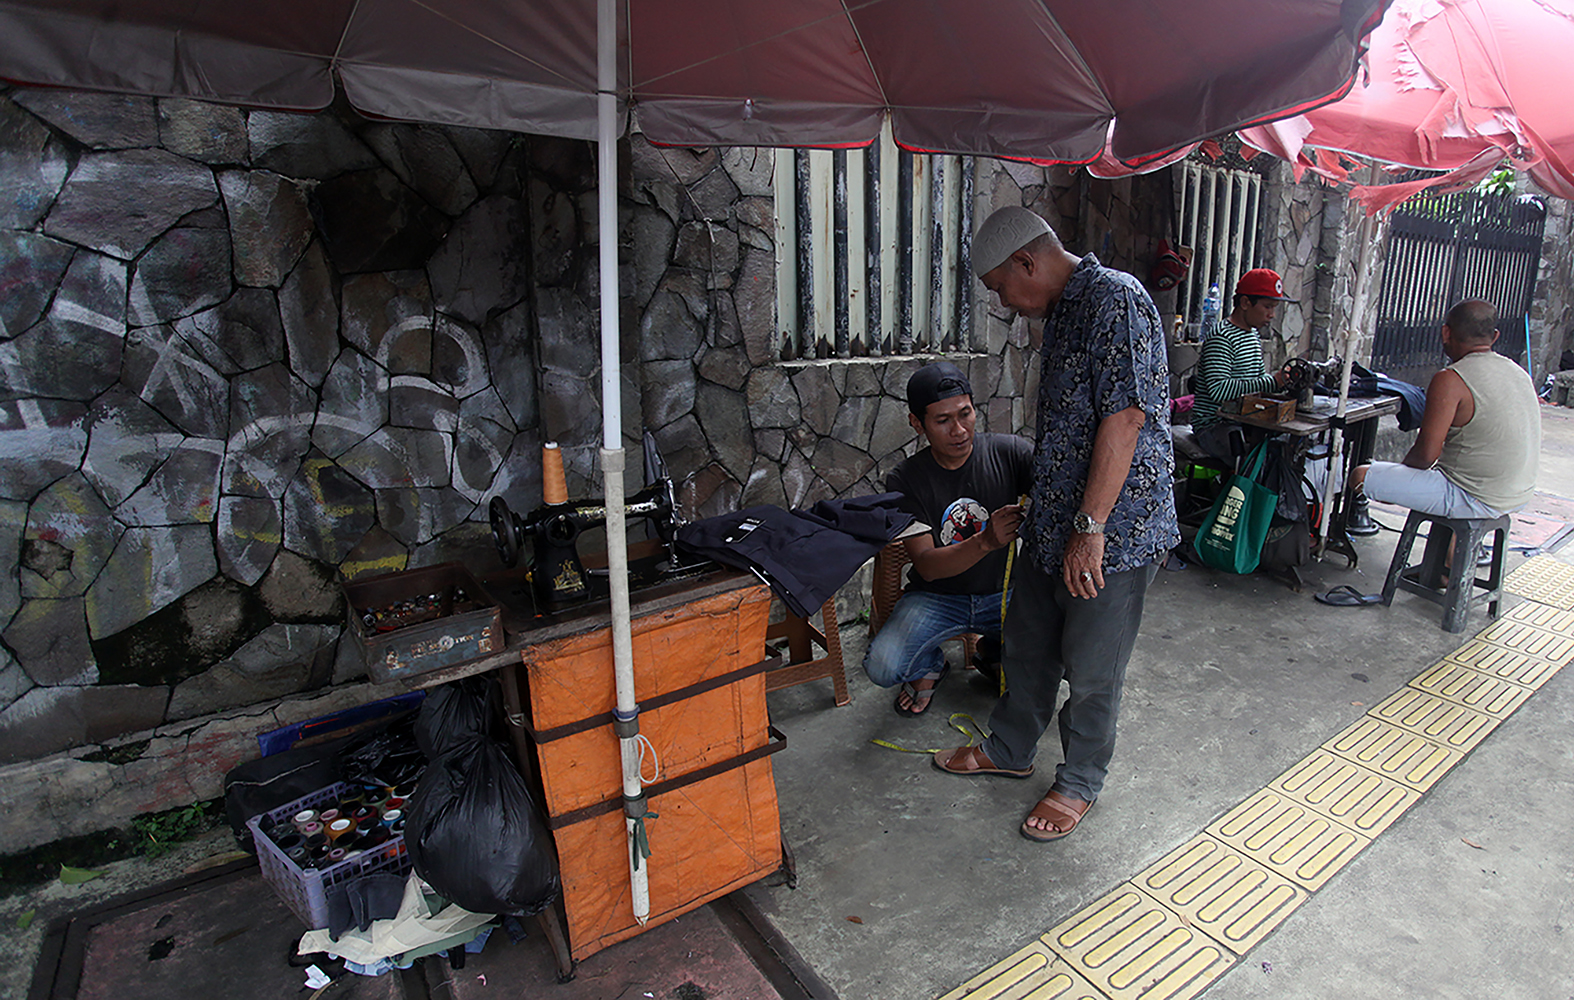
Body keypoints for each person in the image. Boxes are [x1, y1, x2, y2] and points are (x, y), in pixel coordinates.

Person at [932, 206, 1179, 843]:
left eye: (1000, 287)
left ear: (1027, 262)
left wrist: (1091, 526)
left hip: (1111, 535)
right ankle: (1012, 749)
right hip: (1056, 523)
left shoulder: (1115, 300)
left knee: (1094, 667)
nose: (1004, 301)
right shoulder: (1064, 309)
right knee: (1029, 645)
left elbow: (1125, 419)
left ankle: (1079, 780)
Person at [862, 362, 1033, 716]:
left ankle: (994, 652)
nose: (959, 430)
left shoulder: (1010, 453)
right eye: (942, 421)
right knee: (882, 667)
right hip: (937, 598)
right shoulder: (905, 479)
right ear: (917, 423)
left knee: (1061, 651)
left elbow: (1060, 491)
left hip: (1004, 595)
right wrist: (984, 542)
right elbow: (926, 564)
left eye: (965, 414)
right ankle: (931, 666)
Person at [1349, 299, 1540, 529]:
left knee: (1360, 475)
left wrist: (1400, 475)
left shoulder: (1450, 379)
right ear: (1495, 336)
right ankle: (1453, 551)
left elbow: (1425, 456)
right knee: (1437, 479)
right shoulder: (1518, 371)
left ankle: (1452, 547)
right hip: (1518, 493)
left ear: (1445, 332)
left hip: (1474, 495)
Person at [1190, 268, 1298, 462]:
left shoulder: (1252, 335)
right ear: (1245, 303)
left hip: (1242, 419)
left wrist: (1280, 383)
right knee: (1259, 459)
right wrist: (1271, 382)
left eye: (1274, 308)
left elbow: (1258, 384)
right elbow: (1219, 390)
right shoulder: (1222, 337)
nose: (1272, 314)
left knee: (1285, 447)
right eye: (1267, 307)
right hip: (1214, 426)